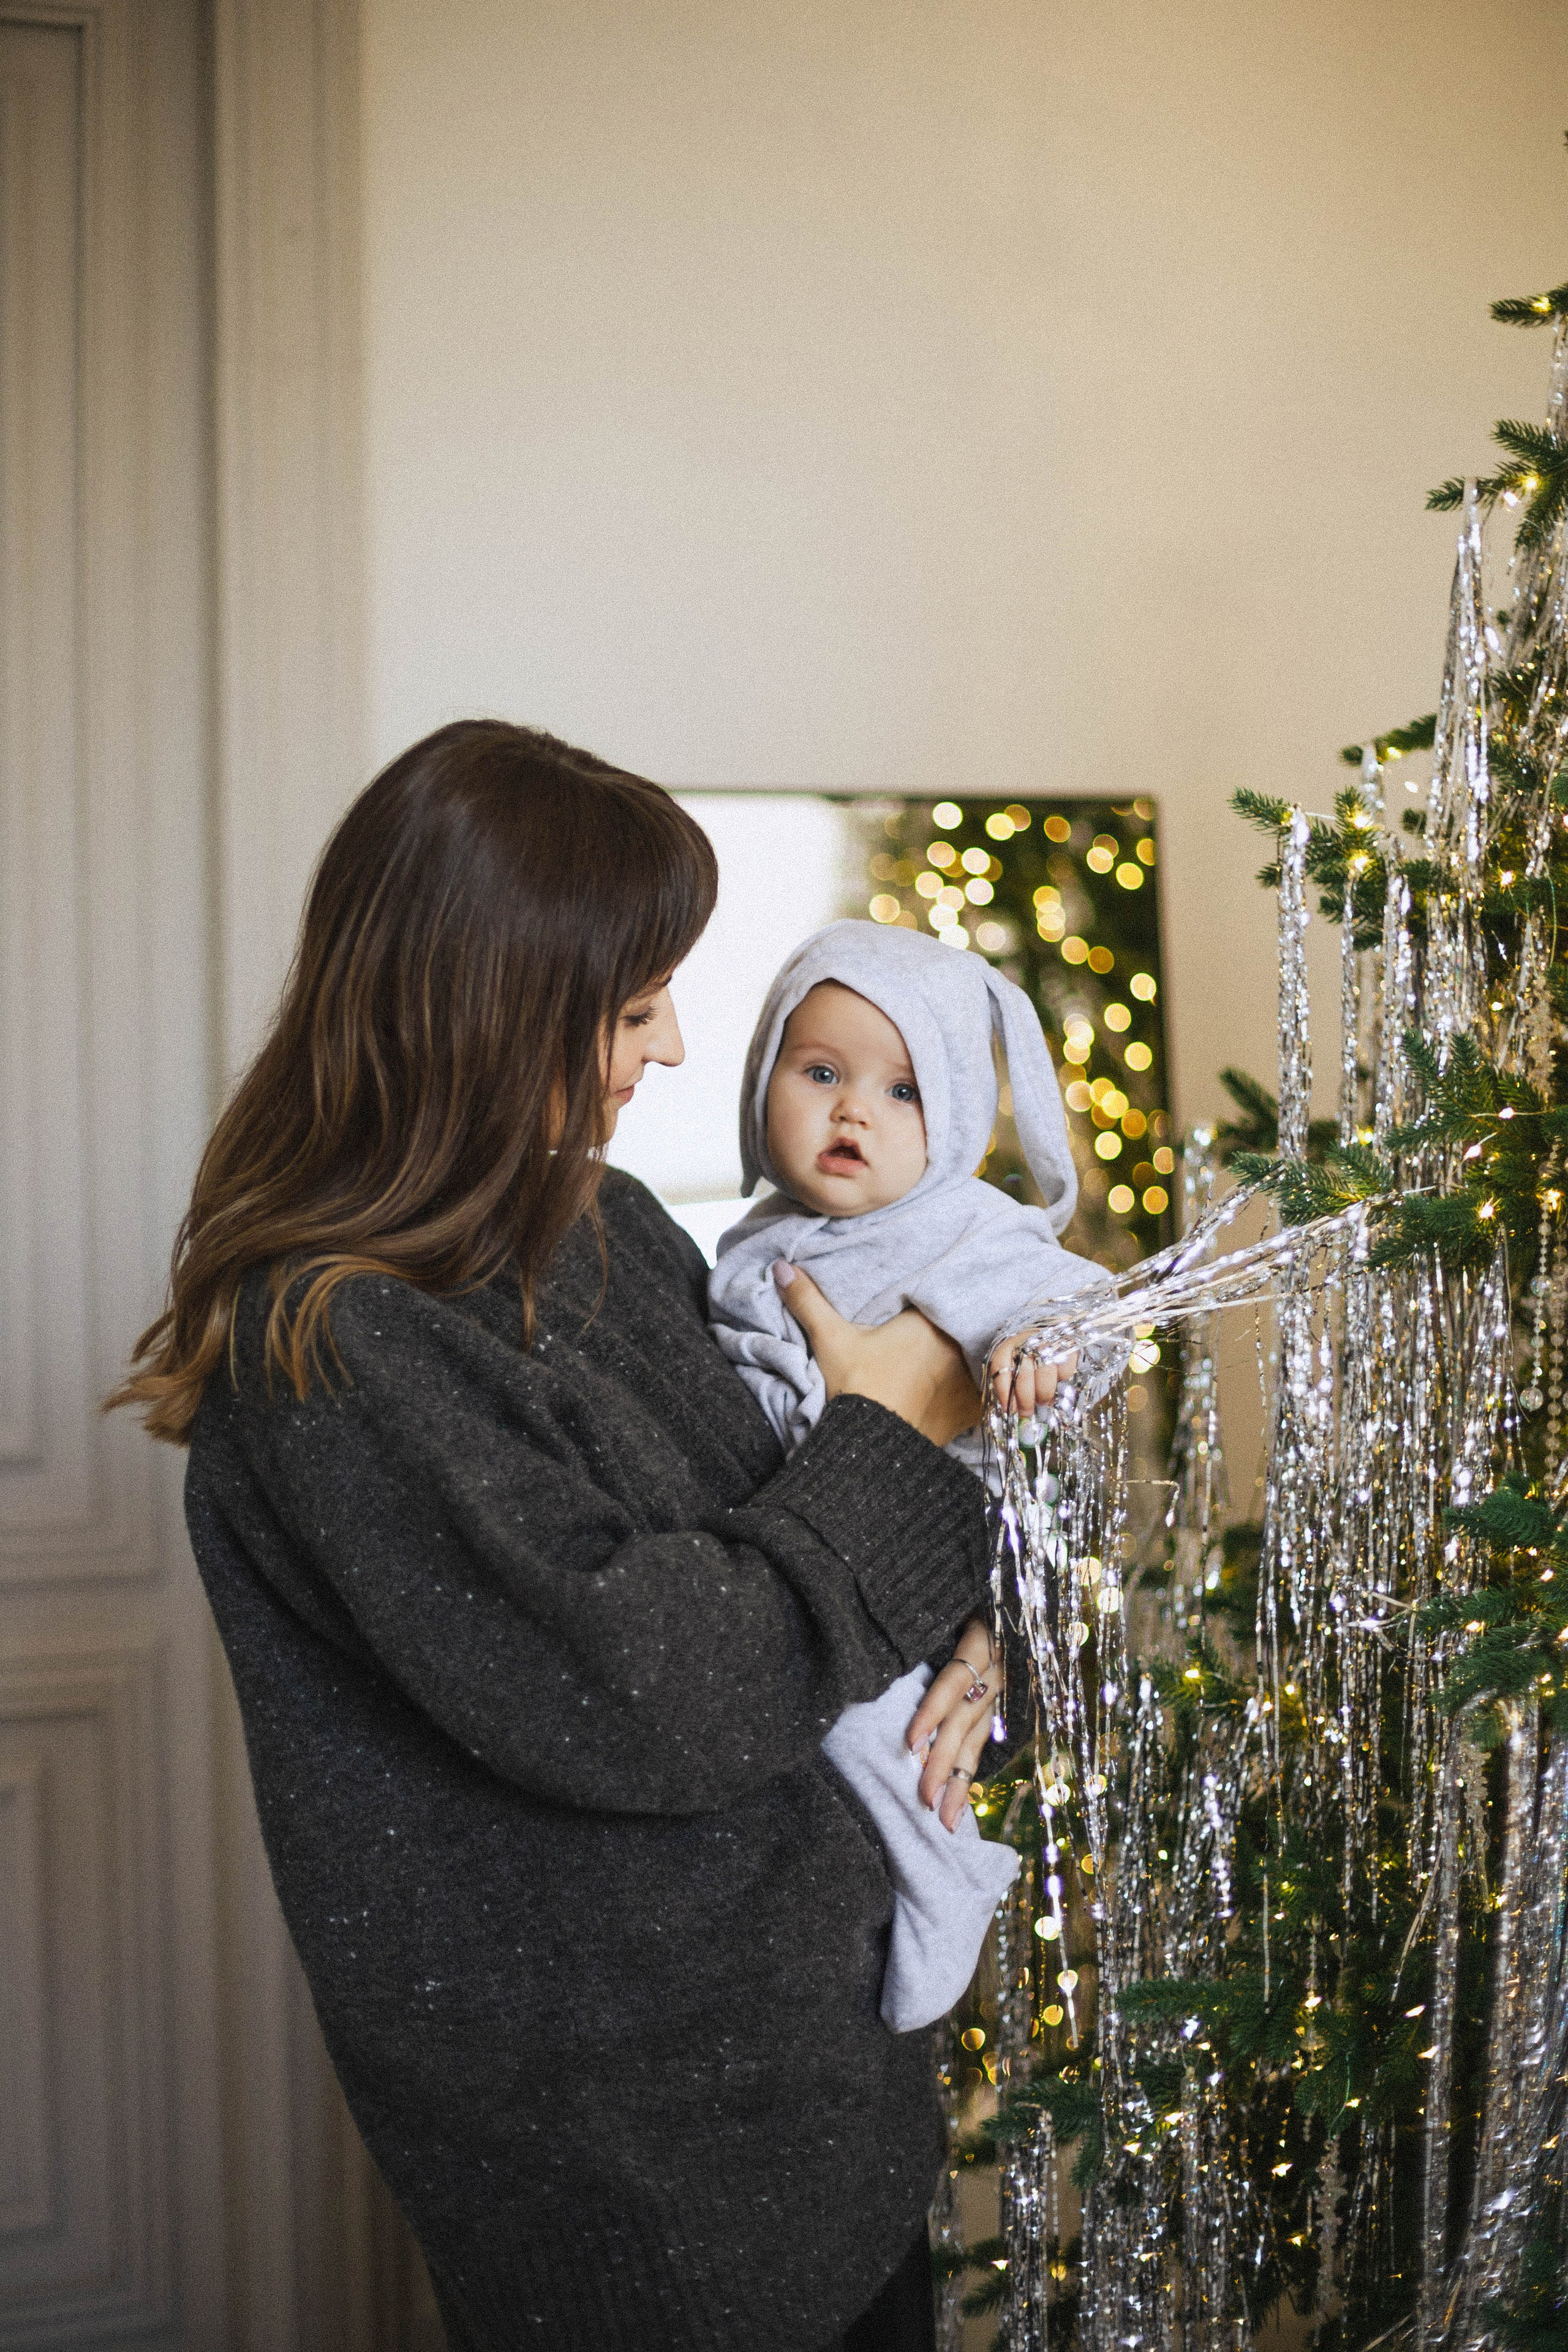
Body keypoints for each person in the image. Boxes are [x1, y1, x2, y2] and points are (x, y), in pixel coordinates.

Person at [110, 720, 1019, 2352]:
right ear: (489, 1010)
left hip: (833, 2108)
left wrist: (968, 1630)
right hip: (647, 2201)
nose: (671, 1049)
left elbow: (796, 1523)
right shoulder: (334, 1351)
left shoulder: (600, 1220)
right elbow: (667, 1688)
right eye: (630, 1005)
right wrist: (903, 1433)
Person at [709, 922, 1102, 2040]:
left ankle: (944, 1874)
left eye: (903, 1091)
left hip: (926, 1554)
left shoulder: (963, 1226)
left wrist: (1035, 1349)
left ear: (963, 1122)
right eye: (821, 1072)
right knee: (819, 1717)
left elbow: (1074, 1307)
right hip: (812, 1538)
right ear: (765, 1077)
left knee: (874, 1722)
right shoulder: (751, 1243)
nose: (852, 1113)